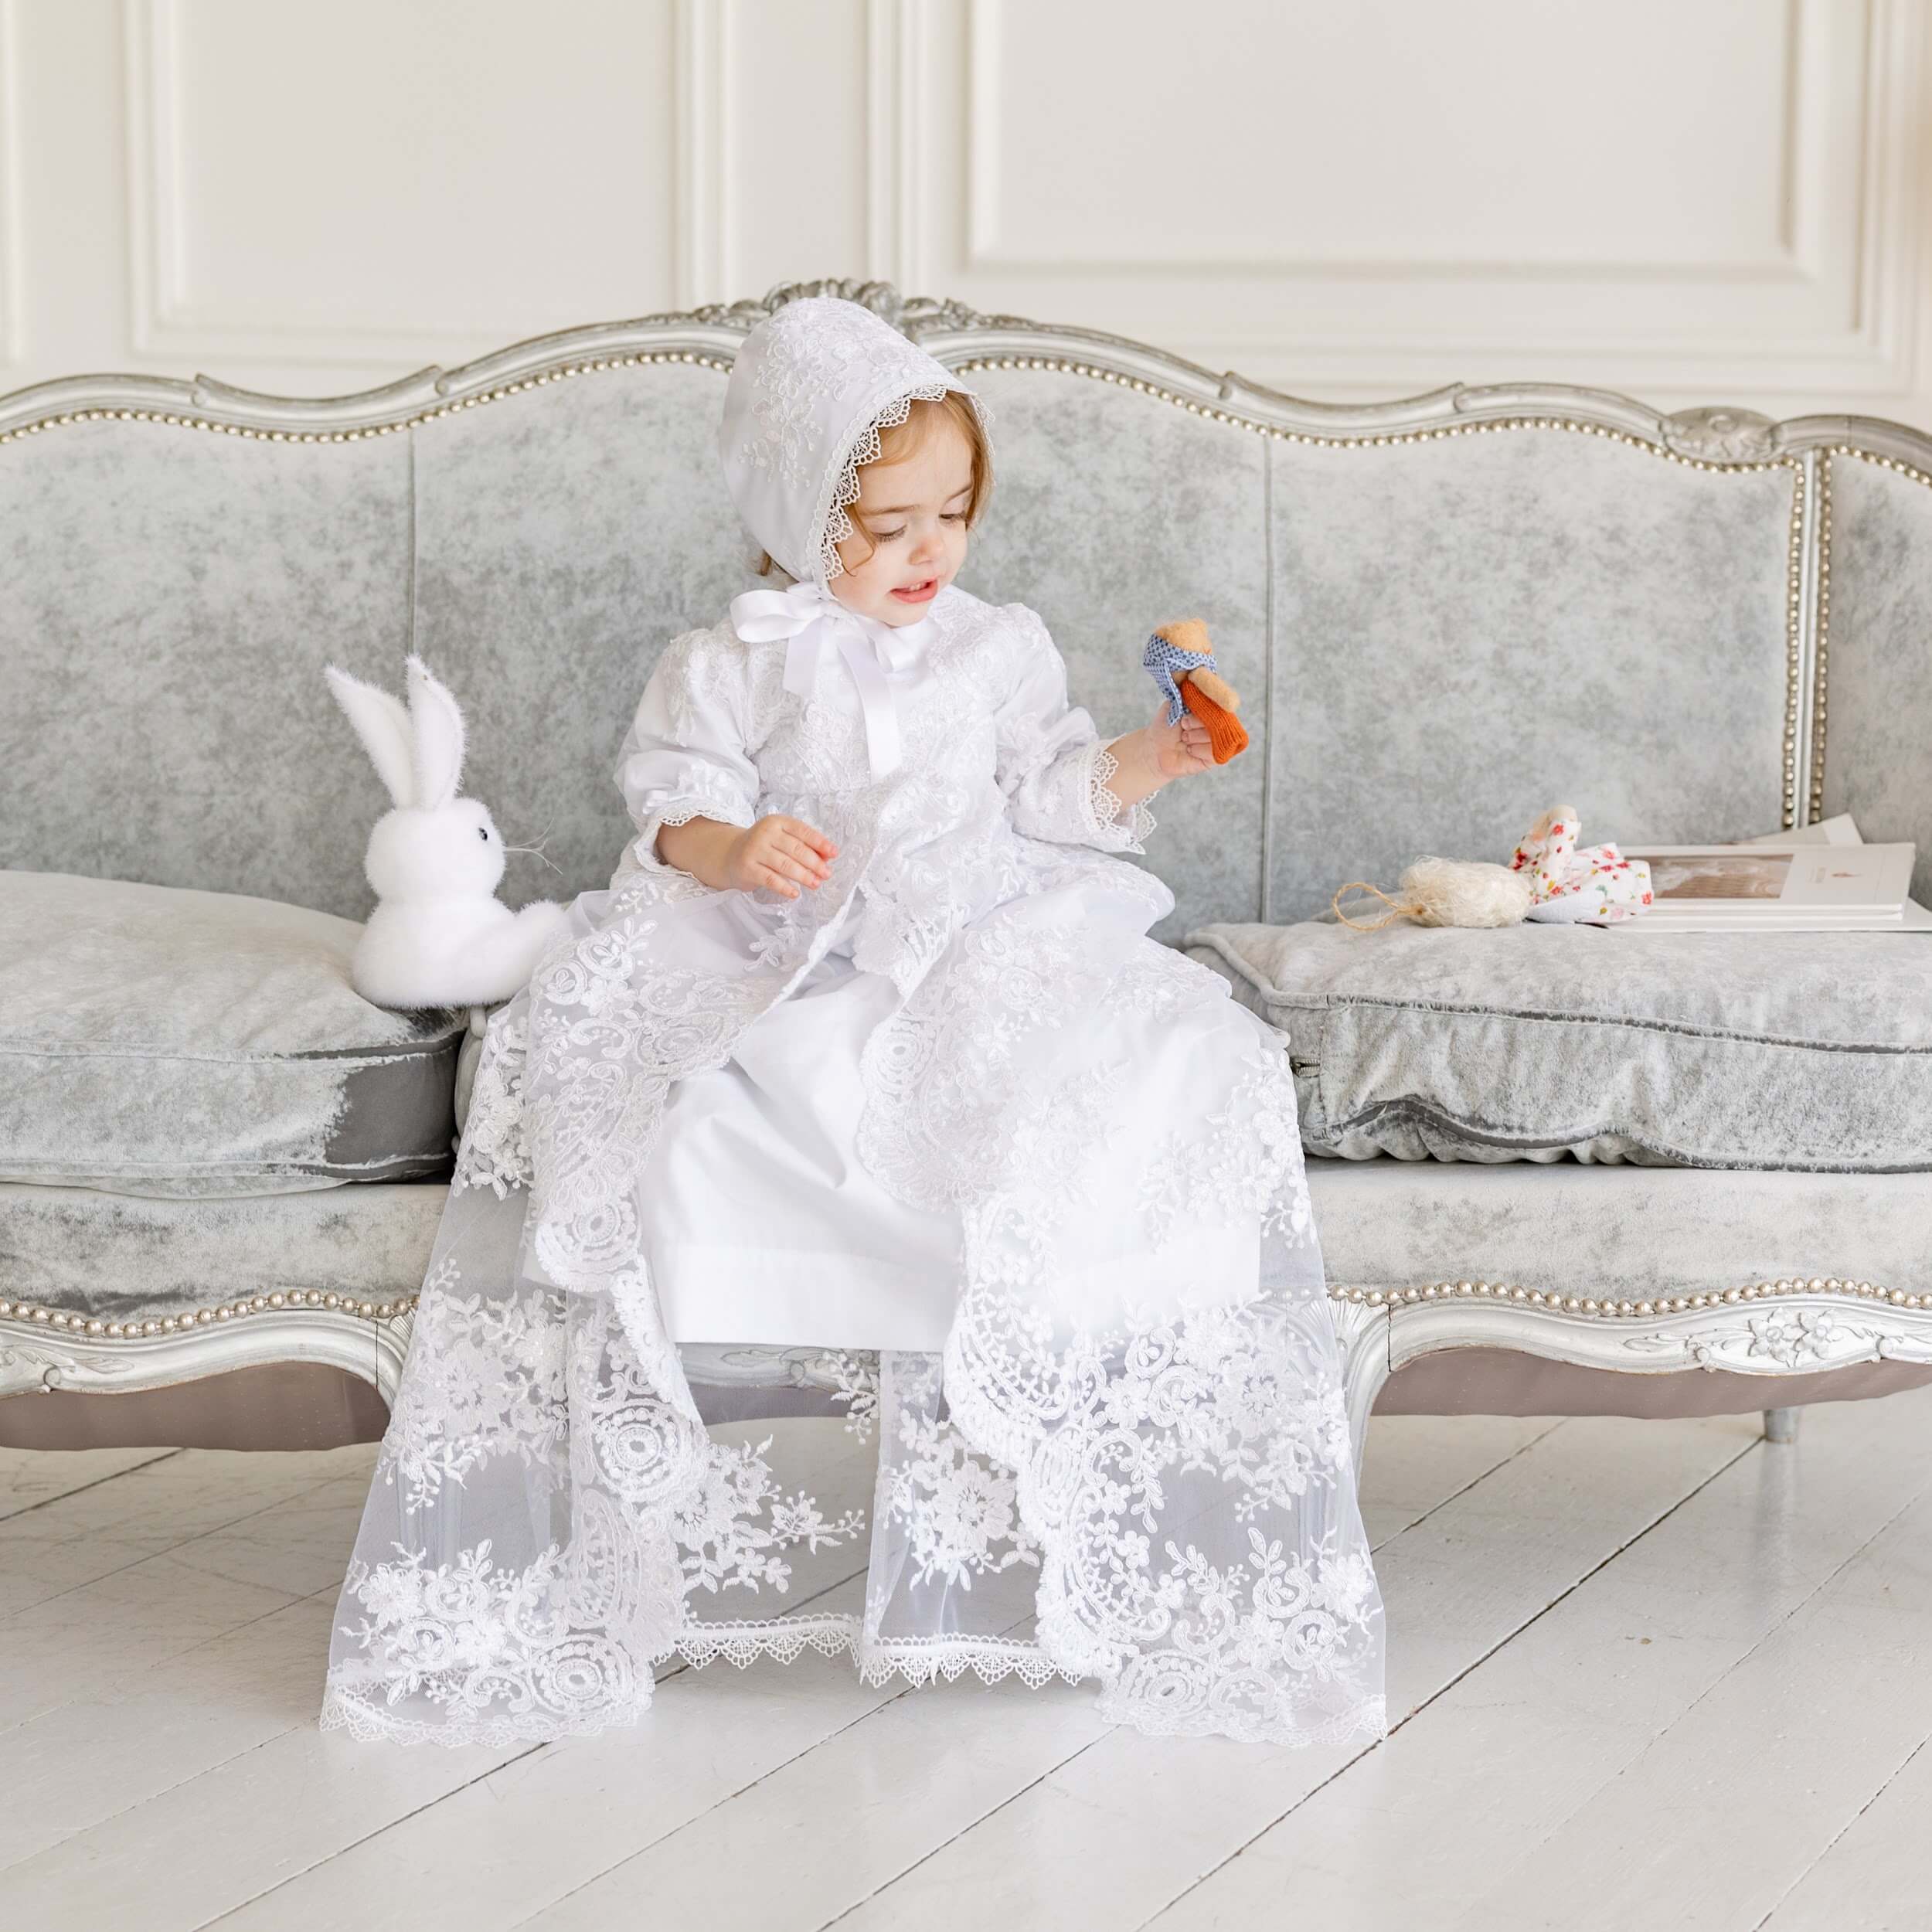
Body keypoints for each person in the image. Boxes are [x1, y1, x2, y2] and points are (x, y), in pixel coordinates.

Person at [319, 294, 1386, 1749]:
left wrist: (1151, 754)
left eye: (952, 514)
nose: (926, 552)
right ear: (798, 508)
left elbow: (1047, 791)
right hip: (797, 937)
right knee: (696, 1086)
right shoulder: (734, 657)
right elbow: (674, 804)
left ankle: (1086, 1445)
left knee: (1163, 1058)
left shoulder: (996, 647)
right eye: (886, 525)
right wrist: (738, 848)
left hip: (981, 914)